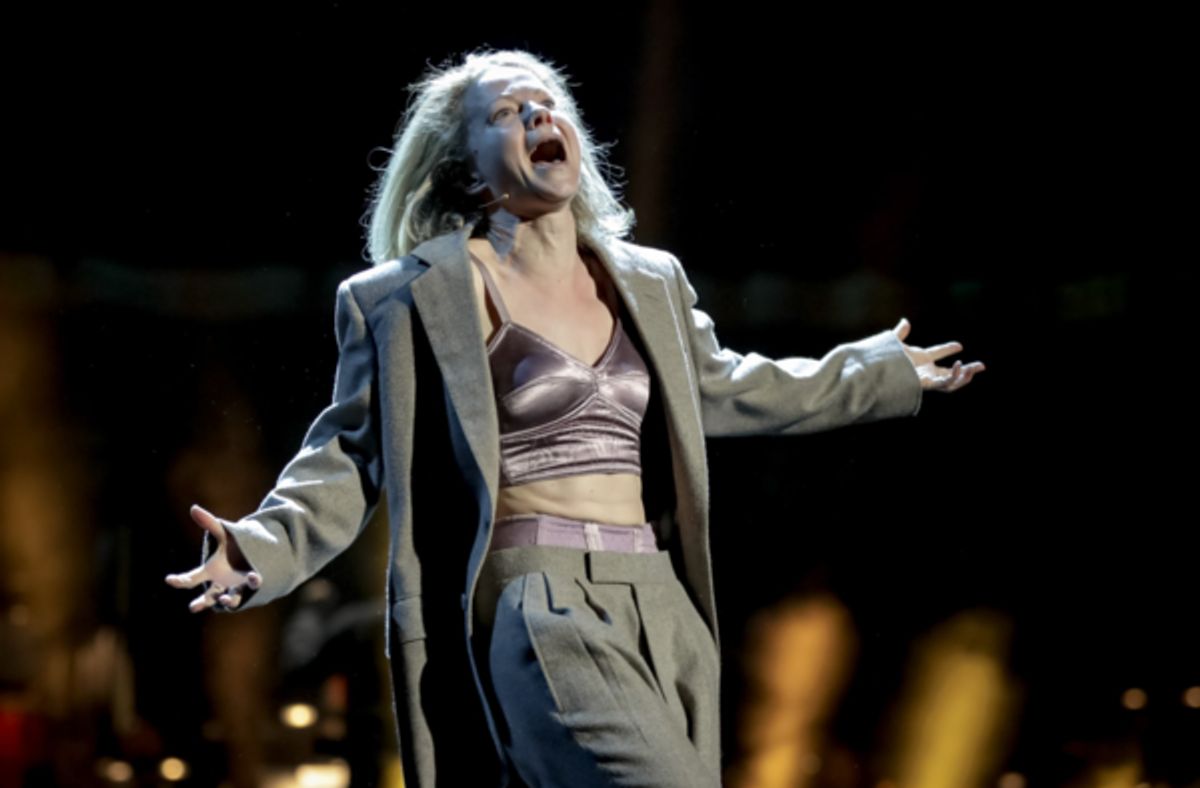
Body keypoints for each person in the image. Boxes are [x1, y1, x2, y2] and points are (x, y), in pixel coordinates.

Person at [165, 48, 983, 788]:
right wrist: (262, 548)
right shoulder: (408, 297)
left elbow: (726, 387)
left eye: (548, 104)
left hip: (660, 603)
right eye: (507, 113)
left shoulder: (649, 280)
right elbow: (347, 454)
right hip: (538, 602)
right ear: (467, 169)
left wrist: (875, 373)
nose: (538, 117)